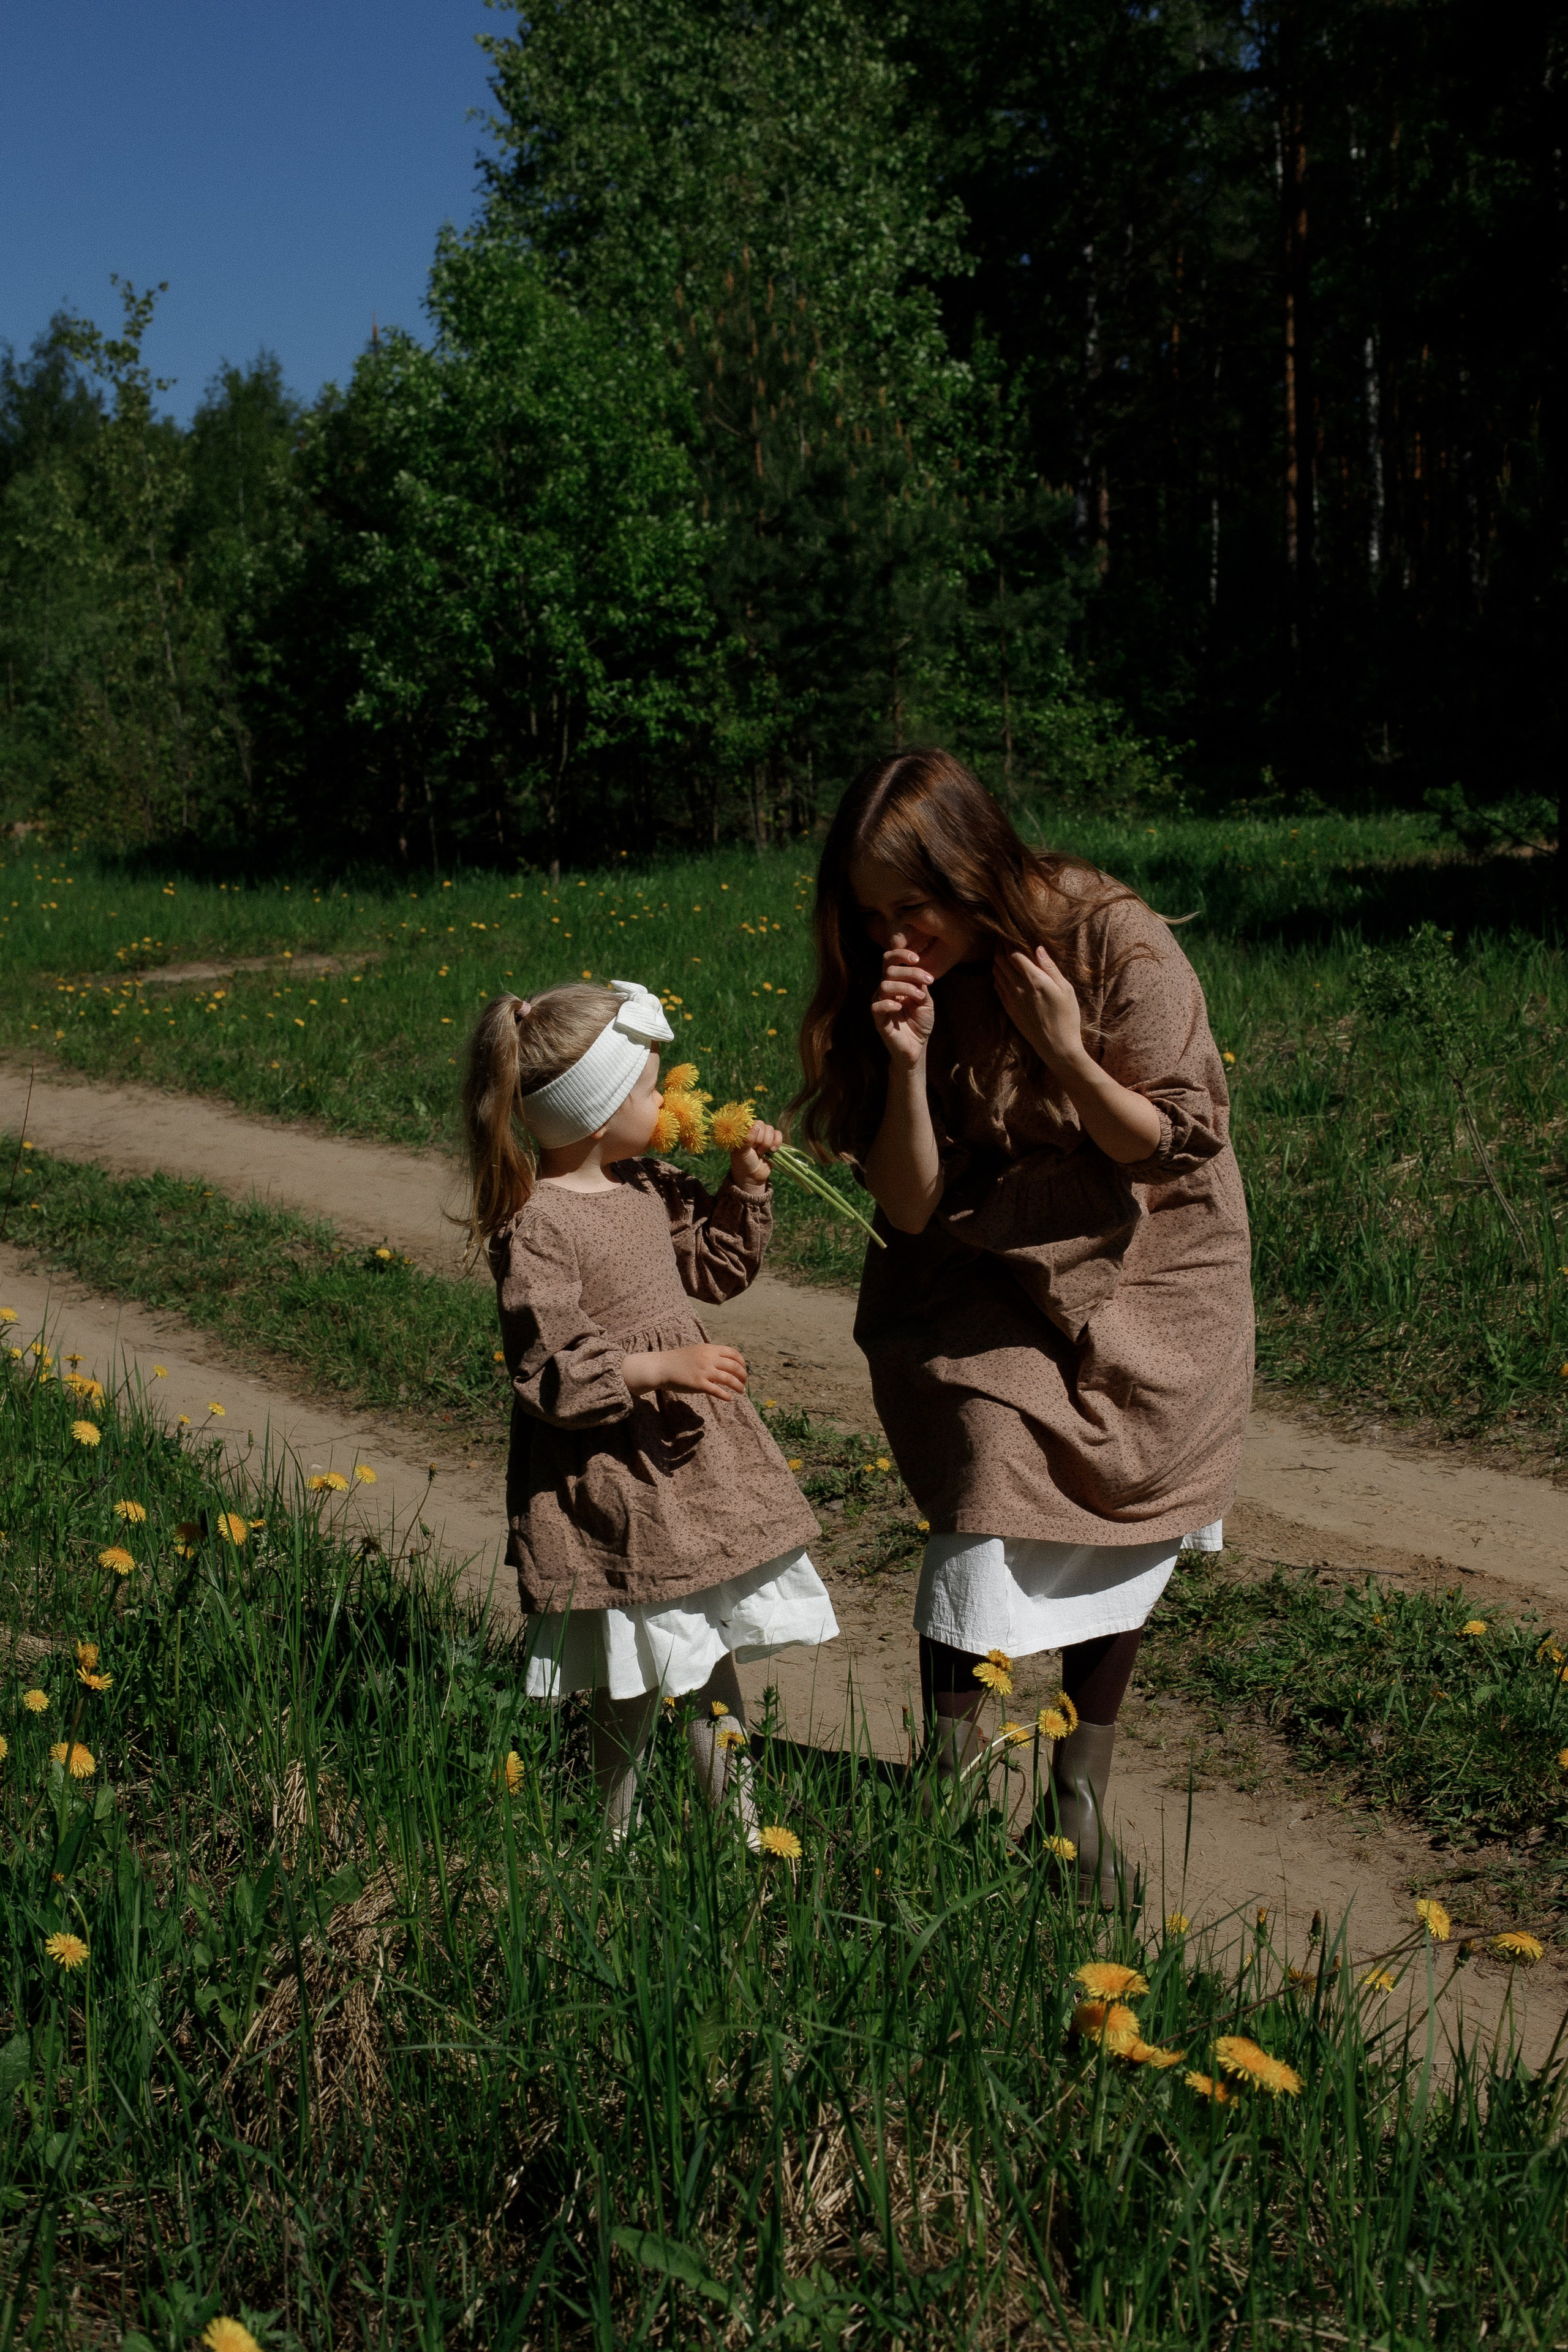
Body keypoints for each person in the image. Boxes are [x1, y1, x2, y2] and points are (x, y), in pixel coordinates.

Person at [793, 752, 1253, 1900]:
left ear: (977, 868)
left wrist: (1060, 1048)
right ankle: (947, 1786)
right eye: (869, 912)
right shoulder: (888, 985)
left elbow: (1172, 1137)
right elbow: (905, 1204)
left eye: (916, 905)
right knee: (988, 1482)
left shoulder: (1110, 937)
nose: (895, 934)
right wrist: (904, 1065)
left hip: (1151, 1247)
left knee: (1122, 1513)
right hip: (974, 1258)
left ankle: (1076, 1799)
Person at [464, 977, 838, 1844]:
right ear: (595, 1114)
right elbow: (549, 1366)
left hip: (689, 1466)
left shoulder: (648, 1183)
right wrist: (658, 1365)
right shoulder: (539, 1226)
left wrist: (744, 1187)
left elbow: (713, 1272)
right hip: (613, 1474)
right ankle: (616, 1837)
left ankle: (735, 1837)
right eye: (648, 1088)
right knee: (633, 1667)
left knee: (699, 1646)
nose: (668, 1100)